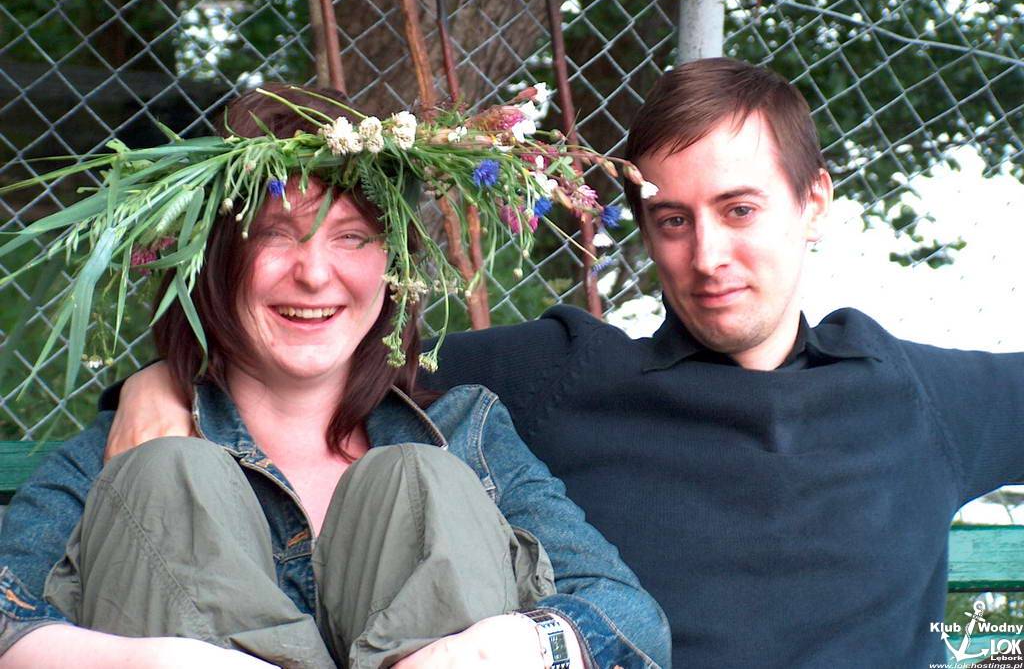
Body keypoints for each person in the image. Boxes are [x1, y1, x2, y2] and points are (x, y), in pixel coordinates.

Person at [103, 57, 1024, 667]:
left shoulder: (915, 395)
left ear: (813, 201)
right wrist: (164, 379)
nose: (707, 256)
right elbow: (321, 351)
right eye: (672, 220)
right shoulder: (569, 375)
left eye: (740, 210)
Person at [0, 87, 670, 669]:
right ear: (213, 261)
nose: (315, 274)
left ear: (392, 266)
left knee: (418, 479)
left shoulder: (464, 432)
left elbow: (629, 622)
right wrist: (155, 660)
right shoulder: (135, 442)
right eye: (275, 234)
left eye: (350, 236)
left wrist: (487, 651)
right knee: (167, 477)